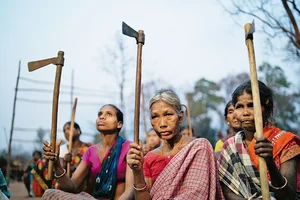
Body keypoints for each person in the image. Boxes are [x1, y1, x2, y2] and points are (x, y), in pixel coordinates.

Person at [127, 89, 224, 200]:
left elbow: (197, 193)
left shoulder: (199, 148)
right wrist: (137, 171)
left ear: (180, 117)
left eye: (168, 114)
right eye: (155, 117)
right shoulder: (149, 158)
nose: (162, 124)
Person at [218, 80, 300, 199]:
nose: (245, 113)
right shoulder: (230, 147)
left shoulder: (285, 142)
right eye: (239, 107)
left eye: (251, 105)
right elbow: (229, 192)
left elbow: (288, 196)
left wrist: (269, 162)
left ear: (265, 108)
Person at [42, 104, 134, 200]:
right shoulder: (91, 151)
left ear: (119, 124)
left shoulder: (128, 147)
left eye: (109, 114)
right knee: (50, 193)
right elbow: (72, 186)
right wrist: (57, 165)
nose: (102, 117)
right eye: (100, 114)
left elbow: (130, 189)